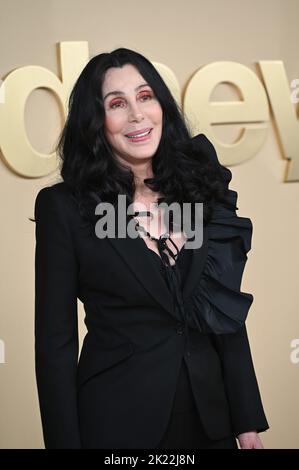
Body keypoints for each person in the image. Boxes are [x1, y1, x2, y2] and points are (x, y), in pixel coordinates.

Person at [34, 48, 269, 449]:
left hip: (210, 422)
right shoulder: (66, 207)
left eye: (145, 97)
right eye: (117, 104)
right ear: (97, 123)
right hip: (117, 422)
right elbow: (55, 345)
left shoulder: (198, 189)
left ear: (162, 106)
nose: (137, 115)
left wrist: (246, 424)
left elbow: (223, 311)